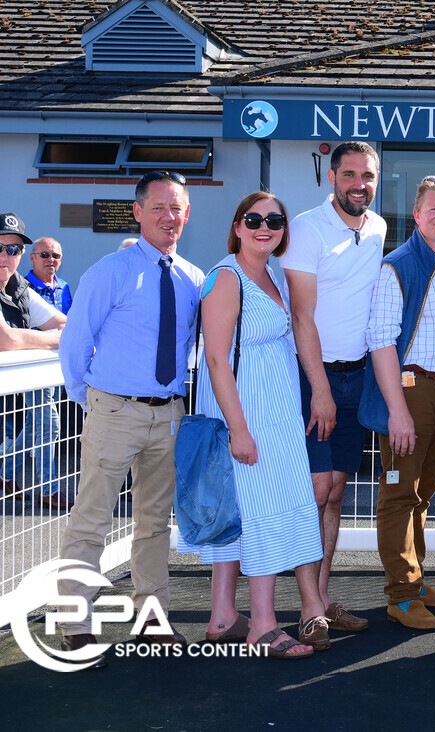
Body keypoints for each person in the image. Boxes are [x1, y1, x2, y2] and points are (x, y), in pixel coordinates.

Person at [58, 172, 205, 667]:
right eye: (159, 207)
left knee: (154, 523)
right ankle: (75, 624)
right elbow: (75, 343)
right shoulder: (110, 271)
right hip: (113, 410)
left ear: (187, 214)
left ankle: (151, 619)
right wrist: (93, 400)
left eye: (177, 208)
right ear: (138, 211)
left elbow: (188, 347)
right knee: (91, 522)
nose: (169, 217)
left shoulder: (193, 277)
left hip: (168, 415)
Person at [176, 193, 326, 658]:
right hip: (249, 413)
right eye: (255, 219)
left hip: (276, 413)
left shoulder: (273, 274)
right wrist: (239, 429)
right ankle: (262, 625)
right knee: (264, 511)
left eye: (275, 220)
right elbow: (217, 359)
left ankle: (223, 616)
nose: (266, 227)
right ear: (238, 225)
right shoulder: (226, 276)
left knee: (244, 513)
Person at [281, 141, 384, 645]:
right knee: (315, 492)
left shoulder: (380, 228)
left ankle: (321, 599)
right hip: (313, 375)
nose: (358, 184)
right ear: (331, 178)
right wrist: (319, 389)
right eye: (349, 175)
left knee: (336, 493)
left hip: (357, 376)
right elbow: (302, 316)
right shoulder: (305, 228)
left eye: (367, 175)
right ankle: (308, 609)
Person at [359, 175, 435, 631]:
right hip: (412, 391)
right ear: (416, 215)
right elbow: (381, 341)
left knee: (423, 494)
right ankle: (401, 596)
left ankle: (417, 579)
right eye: (434, 209)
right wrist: (397, 411)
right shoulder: (399, 265)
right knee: (398, 494)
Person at [1, 216, 67, 509]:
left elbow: (67, 325)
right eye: (0, 247)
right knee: (46, 422)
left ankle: (25, 480)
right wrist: (51, 338)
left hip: (13, 394)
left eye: (13, 249)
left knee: (47, 421)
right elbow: (8, 341)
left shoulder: (19, 288)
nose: (6, 256)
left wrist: (31, 337)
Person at [20, 236, 71, 510]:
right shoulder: (23, 288)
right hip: (35, 370)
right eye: (44, 255)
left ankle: (4, 471)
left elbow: (70, 323)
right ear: (32, 258)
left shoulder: (64, 286)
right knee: (49, 423)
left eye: (56, 256)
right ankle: (47, 489)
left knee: (33, 427)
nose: (50, 260)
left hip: (59, 369)